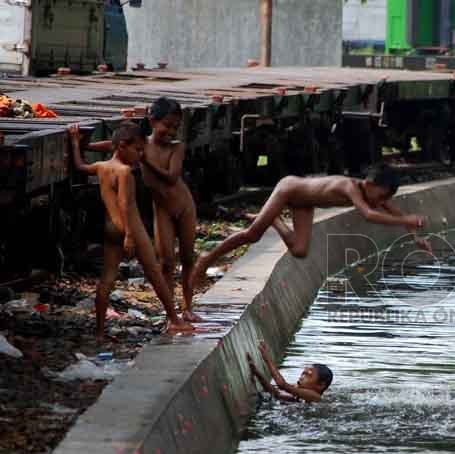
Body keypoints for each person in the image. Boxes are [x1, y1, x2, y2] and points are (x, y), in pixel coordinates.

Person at [189, 165, 431, 290]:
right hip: (289, 190)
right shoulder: (350, 187)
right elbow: (369, 215)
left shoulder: (374, 194)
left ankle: (275, 219)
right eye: (380, 195)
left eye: (384, 198)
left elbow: (397, 212)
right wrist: (406, 221)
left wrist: (415, 236)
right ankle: (205, 260)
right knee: (252, 235)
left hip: (305, 204)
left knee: (300, 251)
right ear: (369, 183)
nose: (380, 201)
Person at [68, 122, 194, 340]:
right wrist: (129, 235)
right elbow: (125, 204)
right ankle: (175, 319)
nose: (141, 155)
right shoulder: (125, 172)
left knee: (107, 279)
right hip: (131, 229)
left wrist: (74, 143)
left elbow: (79, 166)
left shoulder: (101, 166)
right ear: (122, 147)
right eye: (137, 150)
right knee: (154, 272)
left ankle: (99, 332)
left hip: (110, 228)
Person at [85, 97, 202, 322]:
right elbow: (115, 144)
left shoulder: (176, 148)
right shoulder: (141, 145)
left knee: (187, 257)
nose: (171, 131)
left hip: (184, 206)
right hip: (162, 209)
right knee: (166, 261)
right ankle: (172, 313)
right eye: (167, 125)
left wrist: (146, 161)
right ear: (152, 120)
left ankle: (187, 306)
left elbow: (171, 177)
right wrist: (88, 146)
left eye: (176, 127)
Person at [247, 341, 333, 403]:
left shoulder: (314, 396)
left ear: (320, 385)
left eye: (308, 375)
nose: (302, 377)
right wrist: (256, 372)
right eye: (303, 373)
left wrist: (267, 358)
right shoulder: (300, 391)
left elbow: (282, 385)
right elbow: (275, 393)